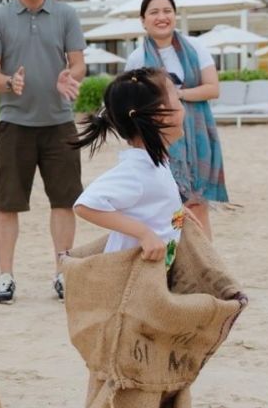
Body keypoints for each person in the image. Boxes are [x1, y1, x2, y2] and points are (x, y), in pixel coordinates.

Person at [0, 0, 86, 303]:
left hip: (60, 123)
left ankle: (63, 273)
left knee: (64, 201)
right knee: (7, 203)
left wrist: (67, 76)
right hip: (14, 124)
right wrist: (10, 83)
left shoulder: (66, 15)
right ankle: (6, 276)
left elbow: (79, 64)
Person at [123, 0, 228, 235]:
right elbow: (130, 101)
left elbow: (213, 88)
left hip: (197, 136)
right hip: (158, 140)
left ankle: (203, 263)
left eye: (167, 11)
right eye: (154, 12)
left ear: (175, 16)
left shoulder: (195, 47)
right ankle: (176, 261)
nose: (162, 17)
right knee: (169, 207)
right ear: (143, 20)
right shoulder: (137, 58)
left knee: (197, 204)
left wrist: (176, 95)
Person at [72, 68, 187, 268]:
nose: (183, 107)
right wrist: (143, 233)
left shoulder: (156, 162)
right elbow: (85, 205)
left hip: (153, 274)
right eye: (178, 99)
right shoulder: (137, 169)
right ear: (161, 116)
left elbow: (152, 204)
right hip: (129, 275)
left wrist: (178, 212)